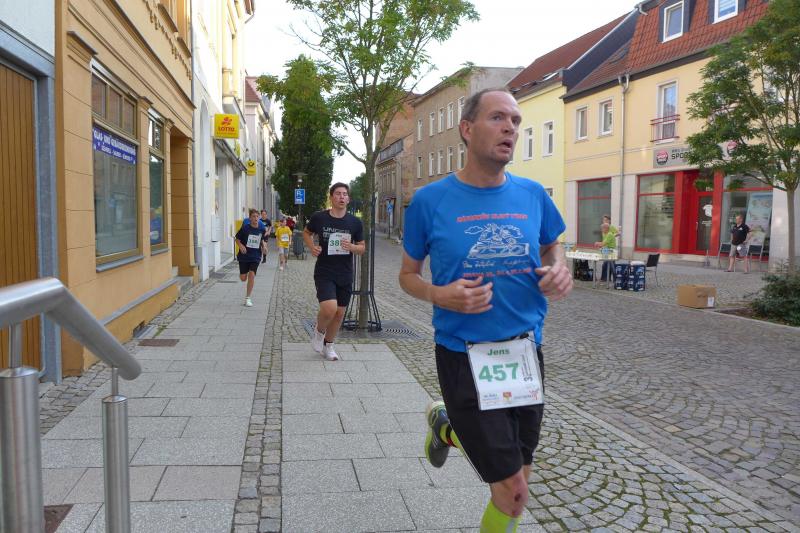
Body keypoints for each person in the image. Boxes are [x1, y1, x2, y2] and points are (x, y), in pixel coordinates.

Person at [399, 88, 572, 533]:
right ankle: (450, 421)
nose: (510, 128)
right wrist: (440, 294)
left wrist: (558, 268)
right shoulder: (429, 201)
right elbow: (407, 276)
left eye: (515, 121)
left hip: (524, 353)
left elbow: (552, 245)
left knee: (519, 485)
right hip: (464, 354)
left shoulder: (532, 194)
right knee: (512, 491)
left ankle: (446, 426)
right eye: (498, 118)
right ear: (467, 128)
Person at [304, 183, 365, 361]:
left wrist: (352, 247)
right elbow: (306, 233)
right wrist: (312, 247)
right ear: (331, 197)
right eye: (338, 194)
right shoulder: (319, 218)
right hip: (325, 270)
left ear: (348, 199)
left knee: (339, 313)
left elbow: (362, 247)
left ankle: (328, 346)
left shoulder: (355, 222)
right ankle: (319, 332)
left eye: (345, 194)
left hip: (345, 272)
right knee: (329, 308)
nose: (341, 197)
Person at [235, 208, 267, 307]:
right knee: (243, 278)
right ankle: (243, 274)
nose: (256, 218)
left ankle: (248, 298)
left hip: (255, 255)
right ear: (250, 218)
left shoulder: (261, 229)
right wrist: (241, 246)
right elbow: (237, 239)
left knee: (252, 274)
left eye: (257, 216)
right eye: (254, 216)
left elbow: (262, 239)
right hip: (244, 256)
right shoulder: (245, 228)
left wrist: (264, 247)